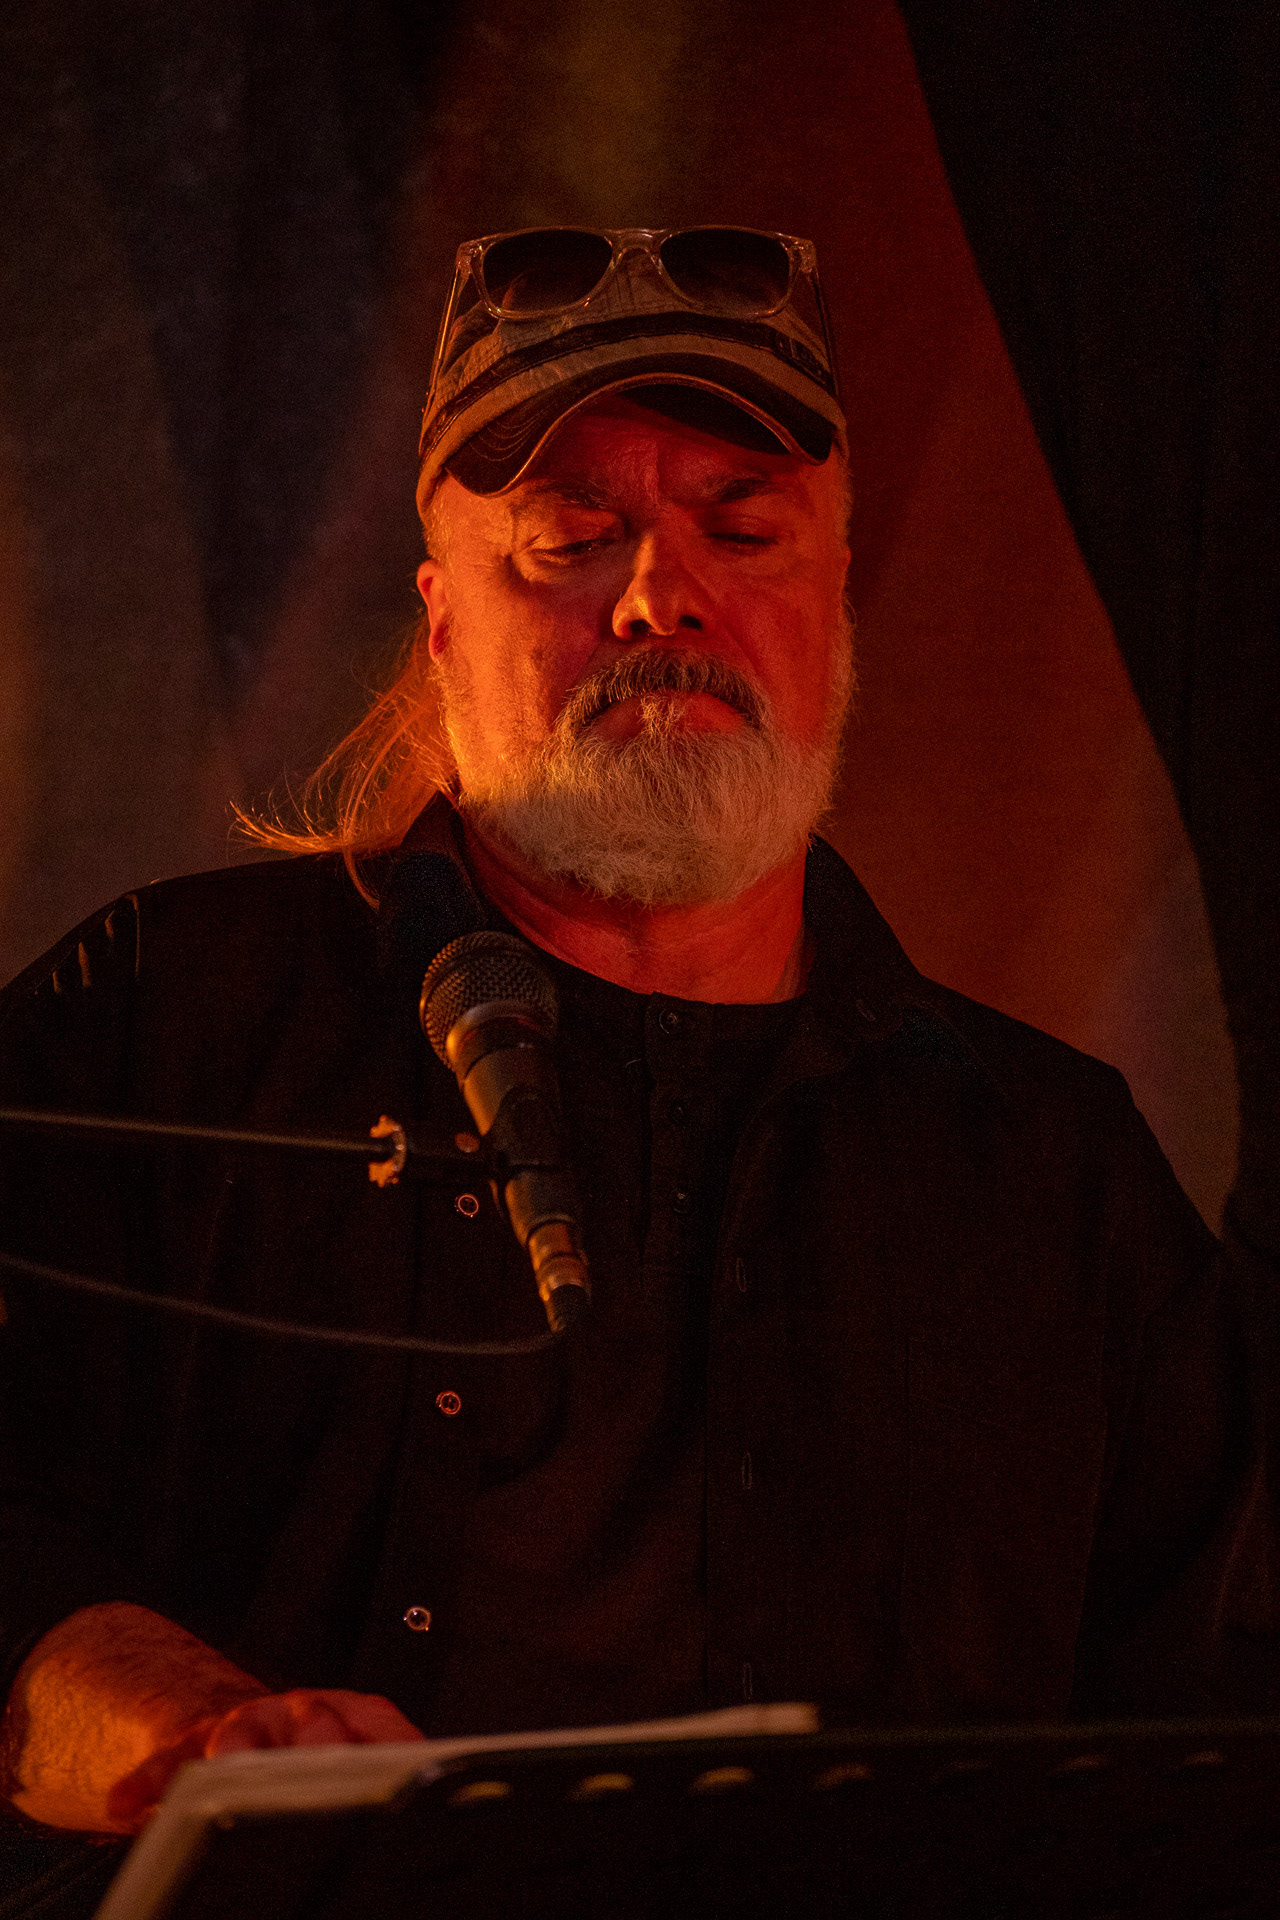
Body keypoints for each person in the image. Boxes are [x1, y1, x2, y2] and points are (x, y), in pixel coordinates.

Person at [0, 226, 1275, 1843]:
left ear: (834, 604)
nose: (664, 597)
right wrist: (188, 1734)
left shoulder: (1052, 1171)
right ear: (440, 626)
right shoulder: (162, 1022)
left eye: (743, 532)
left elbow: (1208, 1741)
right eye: (570, 540)